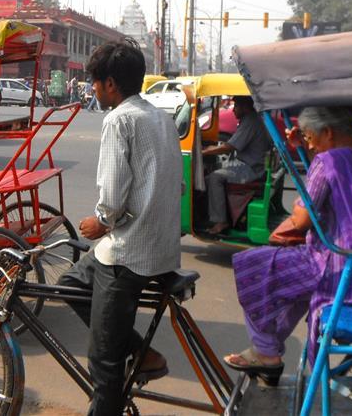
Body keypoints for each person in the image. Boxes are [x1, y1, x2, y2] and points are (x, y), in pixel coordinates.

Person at [223, 106, 352, 384]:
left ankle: (266, 351)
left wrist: (310, 167)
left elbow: (300, 220)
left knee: (253, 265)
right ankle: (265, 350)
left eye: (309, 138)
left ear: (328, 132)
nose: (308, 144)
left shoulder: (329, 161)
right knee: (294, 284)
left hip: (346, 269)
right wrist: (307, 149)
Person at [57, 38, 183, 415]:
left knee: (104, 364)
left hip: (129, 254)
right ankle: (140, 352)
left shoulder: (119, 119)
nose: (94, 90)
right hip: (161, 246)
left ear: (110, 84)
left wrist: (99, 222)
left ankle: (118, 372)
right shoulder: (161, 116)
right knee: (71, 283)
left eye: (96, 82)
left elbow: (111, 196)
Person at [203, 96, 271, 234]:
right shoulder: (253, 119)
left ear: (245, 107)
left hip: (250, 169)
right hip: (251, 164)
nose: (233, 110)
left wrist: (205, 151)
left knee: (214, 178)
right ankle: (215, 213)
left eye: (236, 106)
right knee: (215, 171)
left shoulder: (251, 121)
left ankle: (220, 221)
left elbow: (230, 146)